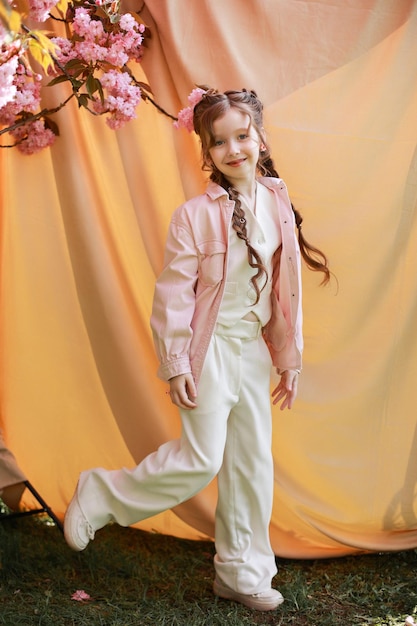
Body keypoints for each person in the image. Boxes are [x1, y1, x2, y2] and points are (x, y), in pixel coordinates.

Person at [64, 87, 330, 612]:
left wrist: (287, 358)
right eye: (219, 142)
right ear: (205, 152)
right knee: (202, 459)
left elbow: (286, 287)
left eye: (242, 136)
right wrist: (176, 363)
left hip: (251, 351)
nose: (234, 149)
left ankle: (241, 572)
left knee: (251, 465)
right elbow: (173, 297)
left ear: (259, 137)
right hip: (208, 353)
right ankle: (101, 493)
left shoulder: (277, 200)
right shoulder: (193, 216)